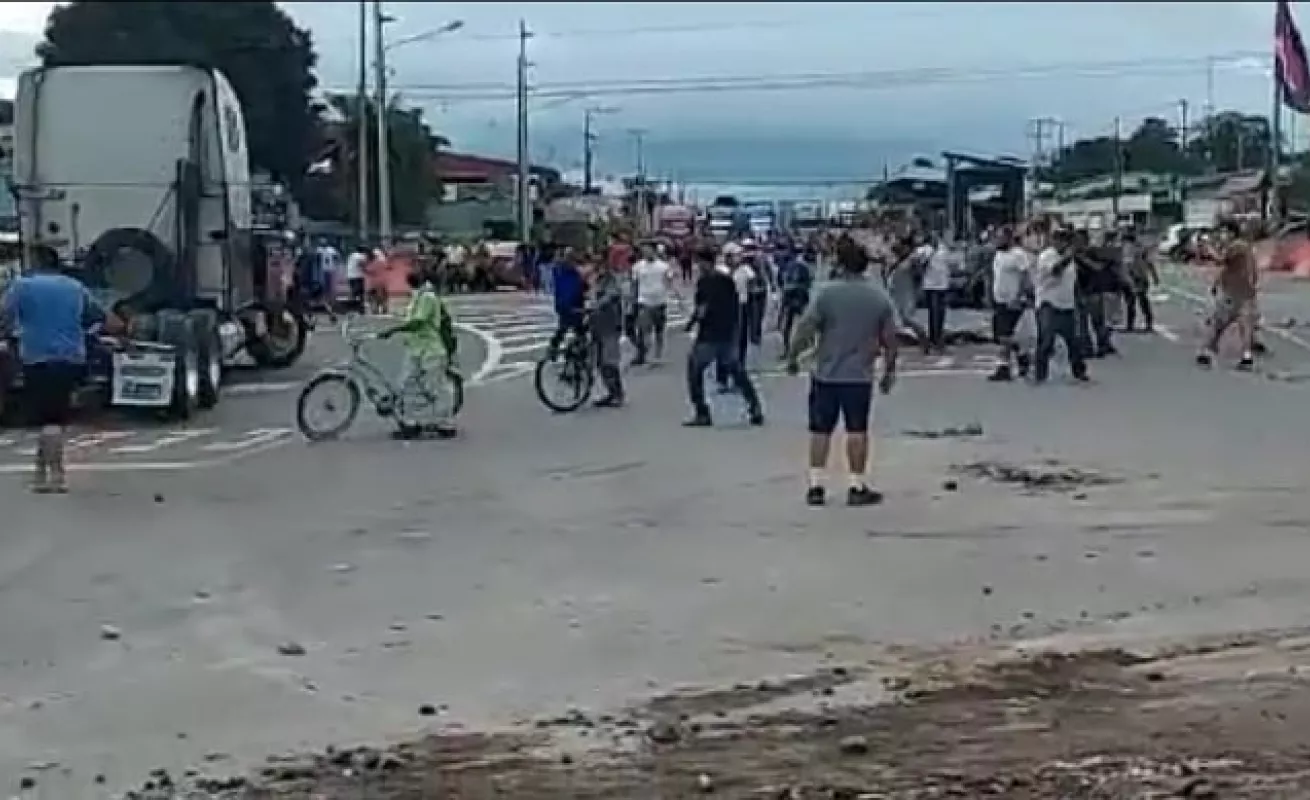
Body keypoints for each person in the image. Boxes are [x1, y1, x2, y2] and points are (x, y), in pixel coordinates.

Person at [785, 237, 897, 507]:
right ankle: (857, 486)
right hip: (859, 376)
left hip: (826, 373)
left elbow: (805, 328)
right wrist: (889, 371)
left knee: (820, 430)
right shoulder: (878, 296)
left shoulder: (826, 293)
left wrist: (793, 356)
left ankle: (816, 485)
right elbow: (891, 339)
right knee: (857, 430)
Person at [0, 252, 122, 492]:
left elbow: (4, 316)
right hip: (72, 359)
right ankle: (40, 472)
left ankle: (55, 476)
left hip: (36, 358)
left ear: (36, 264)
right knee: (51, 417)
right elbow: (102, 319)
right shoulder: (75, 287)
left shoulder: (21, 287)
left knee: (49, 419)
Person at [685, 248, 764, 427]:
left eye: (700, 263)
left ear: (706, 263)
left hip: (710, 334)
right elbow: (735, 304)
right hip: (726, 332)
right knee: (736, 371)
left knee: (695, 370)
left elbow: (702, 307)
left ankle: (702, 412)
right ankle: (754, 407)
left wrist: (692, 322)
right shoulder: (726, 280)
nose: (698, 267)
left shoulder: (706, 281)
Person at [379, 266, 459, 438]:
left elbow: (418, 322)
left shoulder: (428, 297)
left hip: (431, 349)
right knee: (406, 386)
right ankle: (410, 424)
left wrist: (393, 330)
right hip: (416, 349)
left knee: (435, 387)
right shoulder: (418, 296)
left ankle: (445, 424)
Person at [1197, 217, 1258, 370]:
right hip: (1244, 291)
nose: (1222, 235)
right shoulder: (1244, 247)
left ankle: (1207, 352)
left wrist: (1209, 248)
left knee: (1219, 322)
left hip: (1234, 292)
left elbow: (1221, 260)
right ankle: (1246, 356)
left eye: (1224, 232)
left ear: (1231, 233)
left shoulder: (1236, 246)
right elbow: (1227, 268)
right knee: (1244, 325)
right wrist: (1216, 283)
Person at [1032, 228, 1088, 384]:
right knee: (1046, 340)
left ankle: (1079, 371)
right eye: (1058, 239)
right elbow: (1056, 271)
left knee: (1073, 341)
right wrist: (1069, 257)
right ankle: (1040, 374)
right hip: (1048, 304)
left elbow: (1072, 281)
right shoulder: (1046, 256)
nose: (1061, 242)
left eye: (1065, 240)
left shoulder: (1071, 261)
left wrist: (1079, 298)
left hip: (1067, 304)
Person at [987, 226, 1033, 382]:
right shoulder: (999, 254)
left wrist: (1020, 296)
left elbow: (1025, 277)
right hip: (999, 300)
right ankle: (1022, 356)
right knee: (1003, 336)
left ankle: (1004, 367)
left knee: (1005, 336)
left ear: (1009, 238)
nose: (997, 240)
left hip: (1012, 301)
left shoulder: (1018, 255)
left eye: (1000, 237)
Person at [630, 242, 677, 365]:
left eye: (649, 250)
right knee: (644, 328)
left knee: (659, 330)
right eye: (644, 251)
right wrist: (632, 300)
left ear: (655, 251)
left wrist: (672, 292)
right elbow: (635, 284)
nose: (646, 253)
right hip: (644, 301)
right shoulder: (637, 267)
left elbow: (669, 280)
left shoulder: (663, 266)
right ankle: (645, 351)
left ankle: (658, 354)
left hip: (660, 301)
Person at [589, 254, 627, 407]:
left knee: (609, 361)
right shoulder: (594, 280)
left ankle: (618, 393)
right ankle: (611, 392)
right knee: (599, 362)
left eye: (600, 265)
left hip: (610, 325)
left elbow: (612, 295)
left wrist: (597, 304)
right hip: (596, 324)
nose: (598, 268)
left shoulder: (612, 280)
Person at [547, 247, 588, 359]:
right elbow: (574, 288)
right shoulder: (568, 272)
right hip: (570, 304)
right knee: (572, 328)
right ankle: (556, 349)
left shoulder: (564, 271)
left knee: (568, 328)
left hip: (568, 304)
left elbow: (580, 287)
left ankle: (554, 348)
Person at [775, 244, 814, 354]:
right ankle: (806, 346)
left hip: (790, 297)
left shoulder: (786, 266)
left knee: (787, 326)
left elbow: (780, 282)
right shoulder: (804, 266)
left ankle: (788, 349)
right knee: (803, 323)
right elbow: (809, 282)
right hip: (799, 297)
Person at [1120, 229, 1158, 332]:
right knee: (1139, 301)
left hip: (1136, 277)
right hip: (1138, 277)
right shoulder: (1139, 248)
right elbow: (1150, 263)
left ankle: (1132, 325)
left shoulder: (1128, 249)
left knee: (1134, 302)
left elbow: (1127, 265)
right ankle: (1144, 324)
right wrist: (1155, 277)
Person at [921, 236, 955, 352]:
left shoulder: (943, 249)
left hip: (942, 285)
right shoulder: (925, 250)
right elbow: (919, 263)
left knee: (940, 312)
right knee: (933, 312)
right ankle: (934, 339)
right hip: (930, 285)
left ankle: (938, 337)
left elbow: (950, 264)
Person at [345, 244, 369, 312]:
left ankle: (352, 307)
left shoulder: (352, 255)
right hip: (357, 276)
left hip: (350, 276)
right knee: (360, 293)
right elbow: (363, 265)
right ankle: (360, 308)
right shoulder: (361, 256)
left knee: (354, 292)